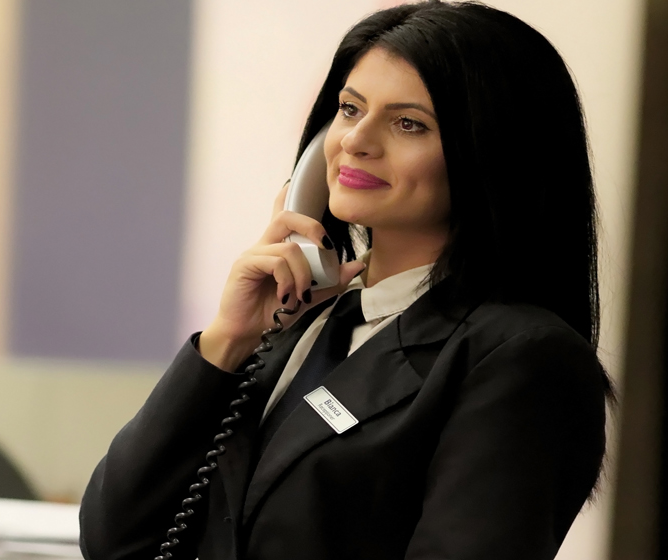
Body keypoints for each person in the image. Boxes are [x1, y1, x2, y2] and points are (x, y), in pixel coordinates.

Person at [78, 2, 614, 559]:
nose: (355, 141)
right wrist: (227, 341)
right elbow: (114, 541)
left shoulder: (521, 357)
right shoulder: (298, 321)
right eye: (350, 109)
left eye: (409, 124)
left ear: (491, 152)